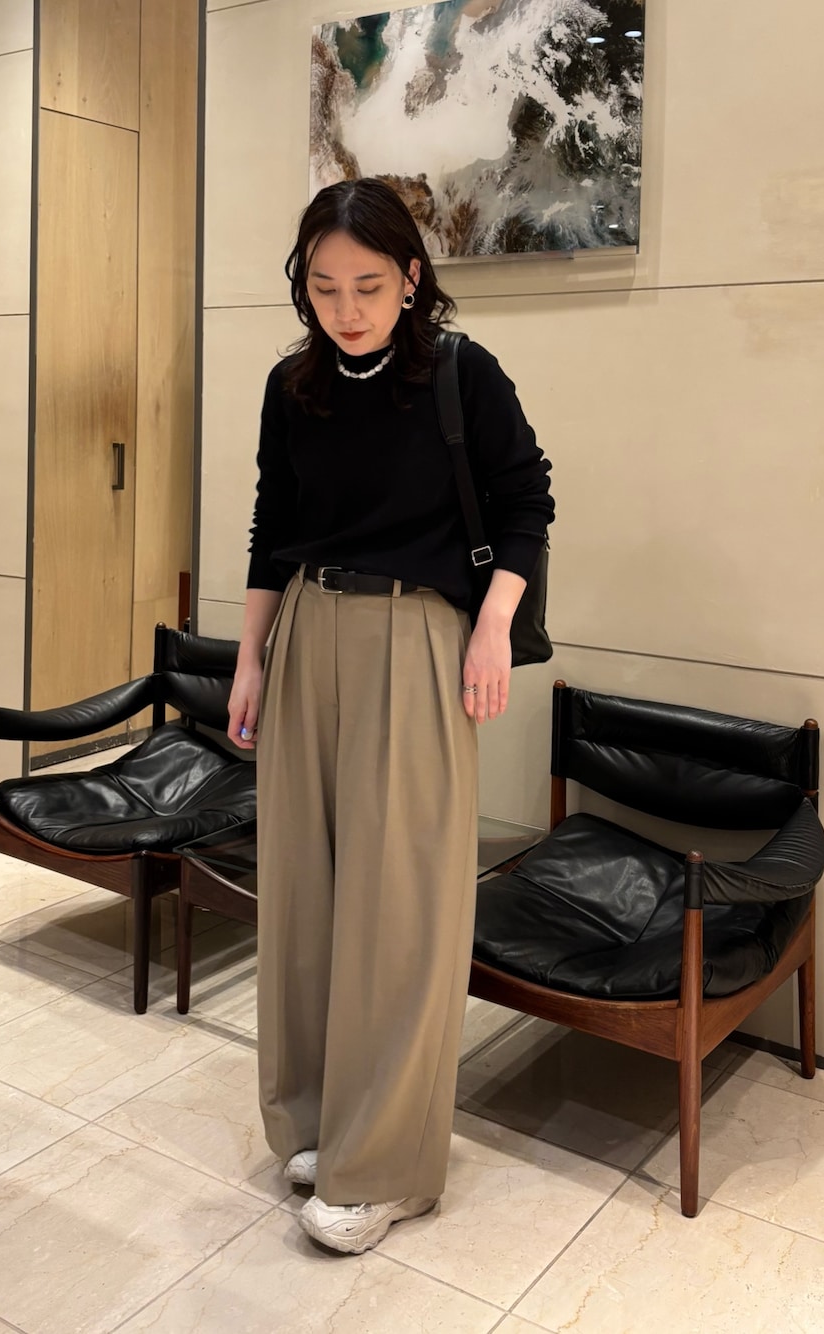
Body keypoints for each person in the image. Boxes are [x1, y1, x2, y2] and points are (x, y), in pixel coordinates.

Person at [227, 177, 554, 1254]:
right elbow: (273, 523)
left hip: (419, 639)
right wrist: (250, 658)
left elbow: (526, 500)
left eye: (367, 285)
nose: (347, 309)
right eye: (324, 288)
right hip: (307, 628)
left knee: (400, 904)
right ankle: (320, 1120)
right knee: (304, 892)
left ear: (412, 277)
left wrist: (493, 625)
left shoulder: (461, 372)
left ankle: (390, 1167)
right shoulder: (291, 387)